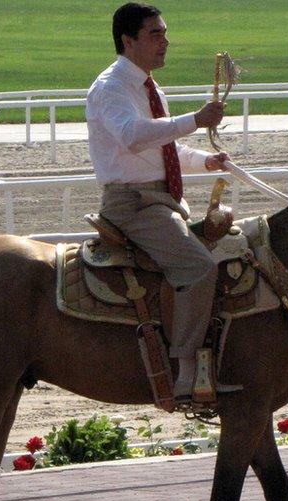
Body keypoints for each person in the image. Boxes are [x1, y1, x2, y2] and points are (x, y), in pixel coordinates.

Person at [86, 2, 230, 403]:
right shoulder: (111, 87)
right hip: (132, 206)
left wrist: (206, 161)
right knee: (199, 267)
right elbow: (133, 136)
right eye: (155, 34)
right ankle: (185, 371)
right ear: (128, 41)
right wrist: (196, 119)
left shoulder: (149, 87)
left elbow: (164, 146)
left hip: (159, 201)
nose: (165, 42)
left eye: (164, 33)